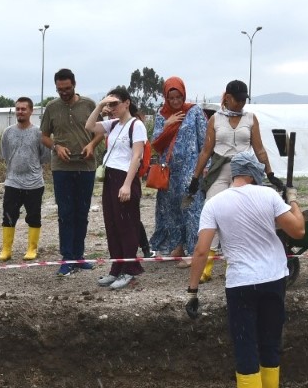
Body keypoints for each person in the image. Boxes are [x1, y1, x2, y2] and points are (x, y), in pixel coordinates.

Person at [185, 151, 305, 388]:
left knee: (246, 344)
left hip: (241, 282)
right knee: (270, 342)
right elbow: (298, 230)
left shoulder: (215, 203)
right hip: (275, 278)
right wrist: (293, 200)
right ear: (253, 174)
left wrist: (193, 291)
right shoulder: (269, 196)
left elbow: (202, 250)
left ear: (235, 174)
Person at [188, 80, 280, 282]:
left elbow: (260, 148)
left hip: (244, 171)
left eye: (244, 100)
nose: (241, 104)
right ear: (227, 98)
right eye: (237, 99)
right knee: (212, 208)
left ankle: (237, 263)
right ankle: (206, 268)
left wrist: (270, 173)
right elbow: (206, 150)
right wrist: (195, 178)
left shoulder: (250, 118)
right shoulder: (215, 120)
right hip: (220, 168)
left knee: (241, 214)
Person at [40, 68, 104, 276]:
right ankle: (67, 257)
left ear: (74, 84)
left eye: (67, 89)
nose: (64, 93)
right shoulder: (51, 107)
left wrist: (92, 145)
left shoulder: (88, 105)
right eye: (60, 90)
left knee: (82, 213)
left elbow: (101, 132)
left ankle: (79, 255)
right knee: (65, 213)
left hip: (85, 168)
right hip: (61, 169)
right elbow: (44, 136)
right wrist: (56, 147)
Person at [86, 87, 147, 290]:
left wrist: (127, 184)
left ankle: (130, 269)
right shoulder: (112, 124)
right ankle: (117, 267)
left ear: (127, 103)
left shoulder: (136, 125)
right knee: (111, 223)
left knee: (127, 224)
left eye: (115, 104)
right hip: (110, 177)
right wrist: (100, 105)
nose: (111, 108)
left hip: (125, 177)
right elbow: (89, 126)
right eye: (109, 104)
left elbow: (137, 156)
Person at [148, 76, 207, 267]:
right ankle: (178, 246)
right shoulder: (161, 115)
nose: (175, 102)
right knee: (172, 209)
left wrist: (205, 166)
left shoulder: (194, 112)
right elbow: (156, 144)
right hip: (169, 171)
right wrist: (167, 125)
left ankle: (193, 250)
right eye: (171, 98)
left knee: (190, 208)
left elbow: (205, 141)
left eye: (178, 97)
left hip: (190, 169)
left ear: (183, 94)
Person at [0, 97, 51, 262]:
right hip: (12, 181)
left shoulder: (38, 133)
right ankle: (6, 250)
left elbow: (45, 156)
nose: (20, 112)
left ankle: (32, 249)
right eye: (18, 109)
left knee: (34, 216)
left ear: (31, 111)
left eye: (23, 109)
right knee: (8, 215)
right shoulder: (8, 132)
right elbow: (5, 154)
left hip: (34, 182)